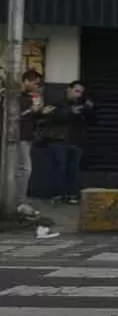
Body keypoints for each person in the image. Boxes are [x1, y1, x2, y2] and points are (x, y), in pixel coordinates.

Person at [41, 81, 95, 204]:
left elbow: (92, 121)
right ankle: (57, 194)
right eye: (76, 91)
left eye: (81, 92)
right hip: (59, 140)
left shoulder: (82, 105)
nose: (78, 95)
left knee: (73, 170)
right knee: (59, 168)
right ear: (69, 90)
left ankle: (71, 195)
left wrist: (89, 110)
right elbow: (53, 118)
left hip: (76, 141)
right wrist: (71, 111)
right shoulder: (57, 103)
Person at [16, 70, 50, 217]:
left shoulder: (33, 97)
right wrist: (31, 110)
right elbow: (14, 116)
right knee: (25, 169)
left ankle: (19, 200)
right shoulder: (16, 96)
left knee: (22, 169)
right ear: (26, 81)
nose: (37, 86)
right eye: (35, 83)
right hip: (18, 137)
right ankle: (19, 201)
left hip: (28, 136)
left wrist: (41, 112)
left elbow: (33, 118)